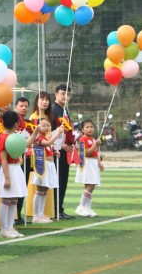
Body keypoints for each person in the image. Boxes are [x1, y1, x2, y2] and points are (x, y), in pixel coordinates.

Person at [0, 110, 39, 238]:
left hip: (16, 169)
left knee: (14, 200)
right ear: (16, 124)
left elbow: (26, 144)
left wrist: (36, 133)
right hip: (8, 170)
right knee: (6, 200)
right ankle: (3, 229)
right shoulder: (3, 138)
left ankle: (10, 227)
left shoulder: (15, 136)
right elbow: (3, 159)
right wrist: (7, 178)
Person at [29, 118, 63, 224]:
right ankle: (36, 215)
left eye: (48, 125)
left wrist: (55, 151)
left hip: (50, 165)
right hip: (42, 166)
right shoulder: (39, 138)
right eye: (44, 125)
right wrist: (58, 133)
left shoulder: (46, 137)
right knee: (39, 190)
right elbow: (47, 143)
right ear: (38, 127)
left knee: (45, 191)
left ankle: (41, 213)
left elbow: (49, 147)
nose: (47, 127)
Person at [51, 84, 75, 219]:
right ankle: (55, 209)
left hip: (65, 151)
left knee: (63, 179)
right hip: (57, 151)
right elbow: (51, 130)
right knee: (58, 180)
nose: (65, 96)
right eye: (63, 93)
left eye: (68, 94)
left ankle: (59, 208)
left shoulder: (64, 110)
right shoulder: (54, 110)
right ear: (56, 94)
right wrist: (59, 144)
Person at [75, 119, 102, 218]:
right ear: (82, 130)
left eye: (91, 127)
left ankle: (88, 208)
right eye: (87, 127)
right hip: (87, 163)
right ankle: (81, 207)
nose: (90, 129)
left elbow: (95, 153)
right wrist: (96, 145)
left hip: (93, 163)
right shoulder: (83, 139)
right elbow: (86, 153)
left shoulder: (93, 139)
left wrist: (100, 163)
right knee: (90, 185)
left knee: (91, 186)